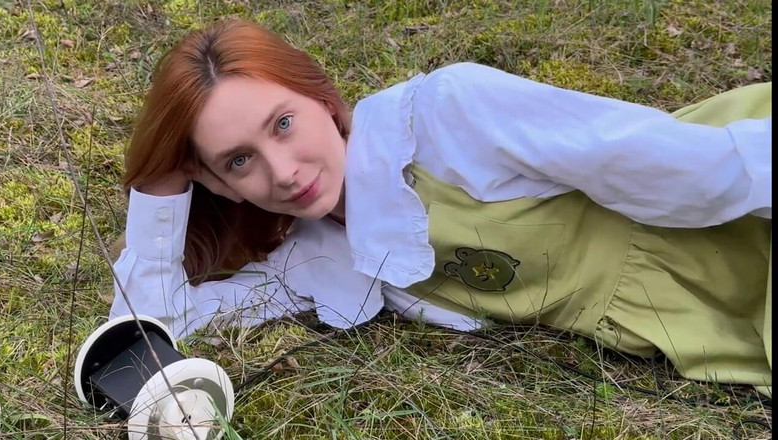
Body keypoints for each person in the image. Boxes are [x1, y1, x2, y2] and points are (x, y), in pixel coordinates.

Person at [109, 18, 772, 396]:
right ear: (219, 185)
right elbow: (151, 328)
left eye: (283, 123)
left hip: (734, 221)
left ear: (321, 96)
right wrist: (161, 192)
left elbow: (691, 173)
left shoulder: (449, 116)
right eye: (238, 161)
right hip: (685, 318)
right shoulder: (322, 256)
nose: (283, 172)